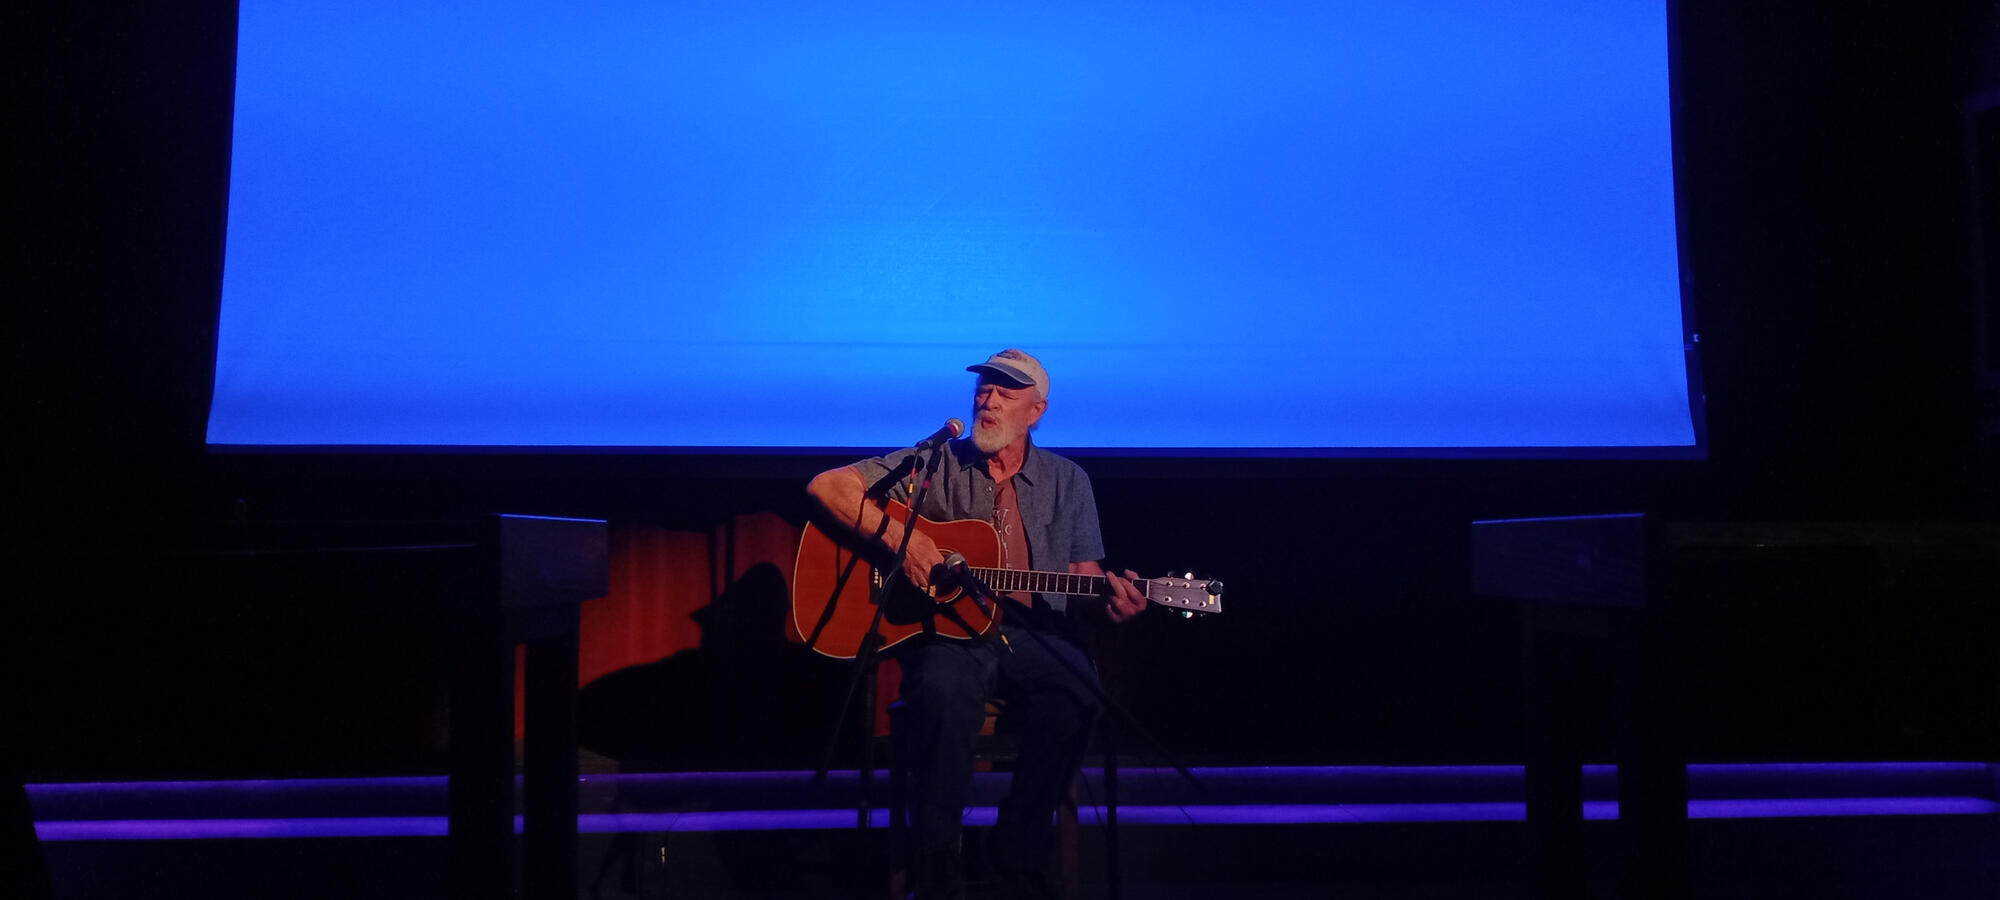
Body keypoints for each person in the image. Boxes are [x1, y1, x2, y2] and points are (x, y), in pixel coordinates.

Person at [806, 348, 1147, 900]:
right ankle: (937, 863)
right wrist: (905, 540)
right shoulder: (934, 461)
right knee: (942, 692)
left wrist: (1113, 602)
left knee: (1079, 692)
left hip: (1034, 634)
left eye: (1005, 393)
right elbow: (827, 487)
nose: (988, 401)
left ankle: (1015, 852)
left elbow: (1085, 577)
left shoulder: (1069, 481)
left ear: (1036, 411)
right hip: (949, 634)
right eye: (983, 390)